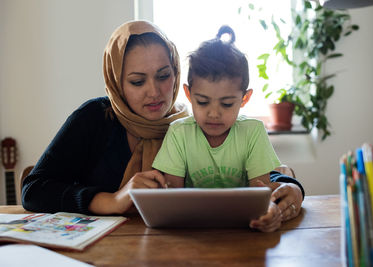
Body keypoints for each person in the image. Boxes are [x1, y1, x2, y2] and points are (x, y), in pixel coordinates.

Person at [21, 21, 303, 226]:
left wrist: (291, 188)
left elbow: (248, 173)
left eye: (164, 75)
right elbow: (34, 190)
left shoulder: (190, 118)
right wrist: (112, 200)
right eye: (137, 81)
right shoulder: (95, 118)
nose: (154, 92)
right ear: (116, 82)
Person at [152, 25, 304, 232]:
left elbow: (261, 196)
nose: (214, 114)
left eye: (226, 104)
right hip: (194, 231)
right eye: (203, 102)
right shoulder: (179, 133)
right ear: (188, 94)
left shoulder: (253, 131)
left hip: (244, 230)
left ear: (245, 98)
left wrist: (269, 214)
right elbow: (172, 199)